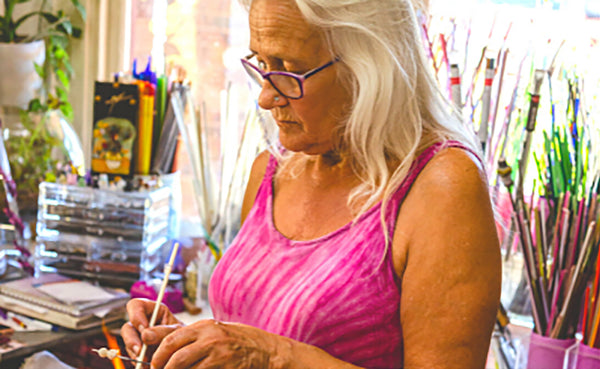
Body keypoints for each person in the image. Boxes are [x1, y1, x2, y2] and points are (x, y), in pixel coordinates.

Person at [121, 0, 502, 368]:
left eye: (287, 70)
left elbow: (268, 349)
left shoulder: (441, 186)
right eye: (263, 65)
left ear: (368, 63)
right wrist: (188, 346)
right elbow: (254, 337)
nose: (267, 97)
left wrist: (273, 357)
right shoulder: (273, 169)